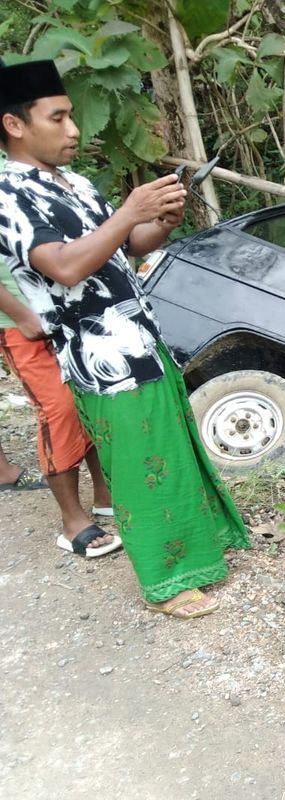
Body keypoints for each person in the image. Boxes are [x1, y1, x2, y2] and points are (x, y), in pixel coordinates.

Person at [0, 58, 250, 617]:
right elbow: (63, 266)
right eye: (58, 117)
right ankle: (166, 582)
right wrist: (129, 213)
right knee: (141, 466)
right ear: (15, 125)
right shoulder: (8, 196)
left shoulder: (73, 182)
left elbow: (125, 245)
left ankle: (200, 551)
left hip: (138, 336)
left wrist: (158, 218)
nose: (73, 129)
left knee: (171, 450)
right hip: (99, 354)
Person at [0, 275, 120, 556]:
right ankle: (72, 522)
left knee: (85, 395)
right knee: (58, 407)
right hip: (18, 320)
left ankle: (105, 495)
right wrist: (21, 316)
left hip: (62, 305)